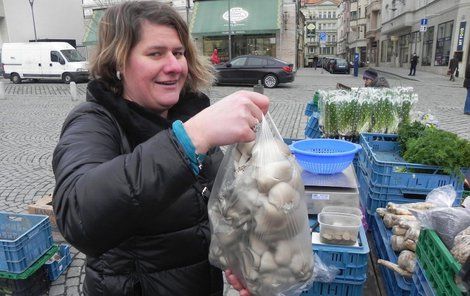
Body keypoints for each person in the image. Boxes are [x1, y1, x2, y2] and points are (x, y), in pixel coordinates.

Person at [52, 2, 268, 296]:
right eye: (155, 54)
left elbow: (211, 207)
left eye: (178, 53)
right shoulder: (94, 121)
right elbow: (78, 215)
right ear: (118, 62)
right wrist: (191, 139)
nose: (174, 66)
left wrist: (239, 254)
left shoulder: (188, 114)